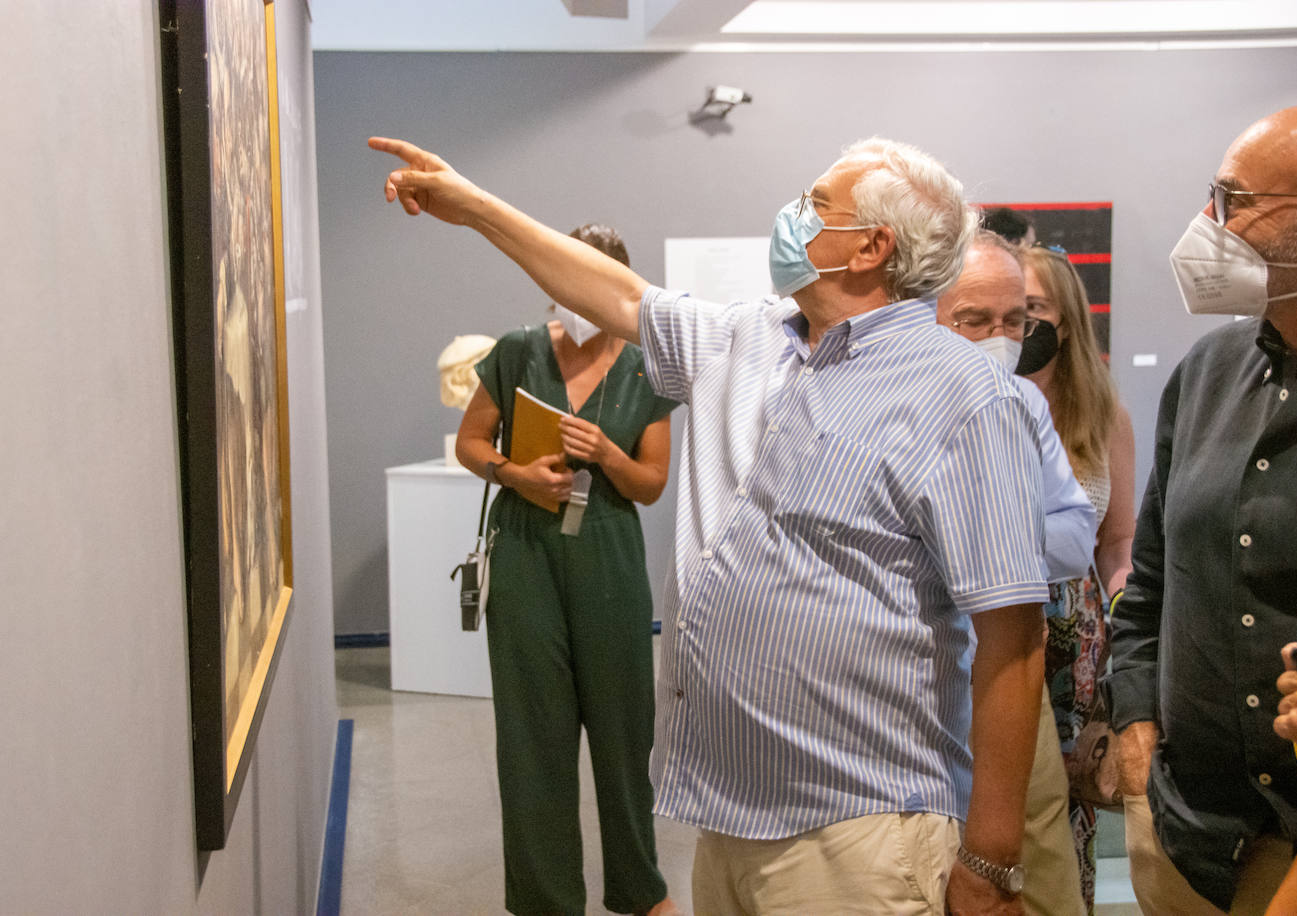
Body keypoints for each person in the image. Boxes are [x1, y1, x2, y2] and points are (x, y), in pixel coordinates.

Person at [371, 133, 1050, 915]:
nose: (791, 218)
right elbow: (617, 295)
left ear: (871, 246)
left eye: (814, 205)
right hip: (727, 821)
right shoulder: (746, 338)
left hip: (859, 831)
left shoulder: (964, 395)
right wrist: (476, 207)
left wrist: (991, 860)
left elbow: (1012, 638)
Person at [1104, 106, 1297, 914]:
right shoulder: (1209, 372)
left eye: (1233, 199)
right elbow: (1149, 577)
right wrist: (1136, 720)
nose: (1207, 223)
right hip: (1188, 832)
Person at [453, 224, 681, 916]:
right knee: (533, 734)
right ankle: (544, 899)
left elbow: (649, 485)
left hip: (607, 551)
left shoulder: (648, 365)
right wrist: (513, 474)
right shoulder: (517, 352)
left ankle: (640, 888)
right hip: (525, 549)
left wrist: (608, 455)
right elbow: (469, 442)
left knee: (623, 730)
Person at [936, 231, 1097, 916]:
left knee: (1040, 862)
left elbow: (1076, 534)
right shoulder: (881, 408)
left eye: (1015, 322)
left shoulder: (1022, 405)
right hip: (915, 689)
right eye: (975, 321)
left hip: (1009, 675)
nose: (999, 338)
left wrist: (984, 535)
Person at [1019, 243, 1136, 908]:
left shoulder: (1102, 415)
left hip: (1078, 636)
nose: (1019, 326)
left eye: (1032, 309)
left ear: (1065, 320)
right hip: (997, 618)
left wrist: (1123, 614)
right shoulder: (984, 400)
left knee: (1067, 802)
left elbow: (1116, 541)